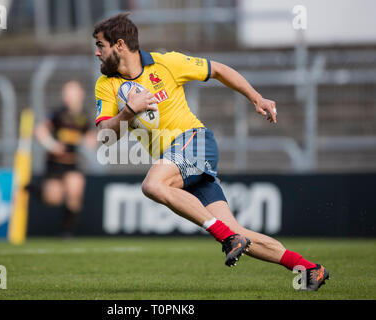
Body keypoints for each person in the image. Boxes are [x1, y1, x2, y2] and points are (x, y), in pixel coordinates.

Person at [93, 13, 329, 291]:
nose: (96, 53)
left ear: (120, 45)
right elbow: (105, 137)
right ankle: (309, 269)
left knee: (153, 185)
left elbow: (217, 69)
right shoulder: (106, 85)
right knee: (238, 233)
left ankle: (224, 237)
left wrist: (257, 98)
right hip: (177, 162)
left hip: (195, 142)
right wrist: (128, 111)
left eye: (100, 45)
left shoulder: (166, 63)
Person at [35, 81, 96, 238]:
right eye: (66, 93)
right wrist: (52, 145)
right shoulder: (57, 113)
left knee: (75, 189)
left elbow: (90, 137)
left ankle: (67, 232)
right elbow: (40, 130)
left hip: (72, 163)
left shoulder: (83, 117)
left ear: (80, 95)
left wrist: (91, 142)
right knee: (53, 199)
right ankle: (35, 189)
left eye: (72, 93)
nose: (69, 97)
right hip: (55, 165)